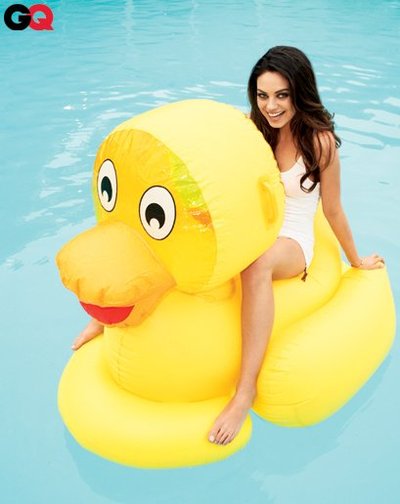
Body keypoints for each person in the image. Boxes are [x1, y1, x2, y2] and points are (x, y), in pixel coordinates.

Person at [72, 46, 385, 447]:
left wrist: (355, 261)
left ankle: (244, 391)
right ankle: (108, 317)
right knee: (173, 235)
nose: (271, 106)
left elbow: (334, 209)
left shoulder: (319, 143)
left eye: (282, 95)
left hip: (291, 237)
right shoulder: (253, 131)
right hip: (249, 226)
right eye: (262, 95)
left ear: (300, 93)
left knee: (256, 265)